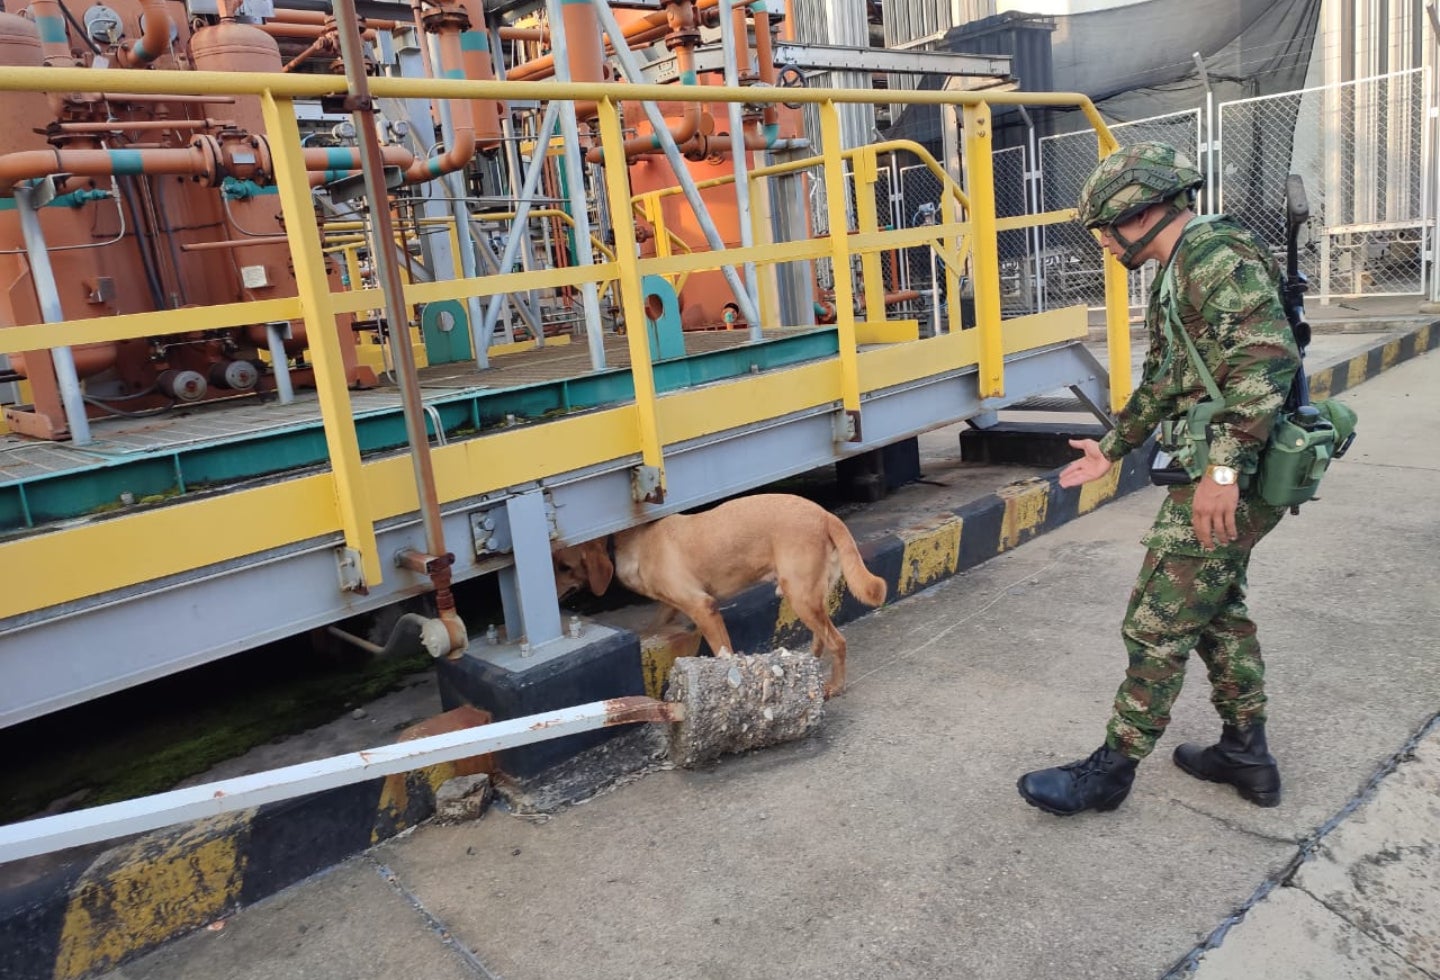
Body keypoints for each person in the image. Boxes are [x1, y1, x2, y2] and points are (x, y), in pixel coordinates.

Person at [1016, 142, 1301, 817]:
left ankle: (1110, 772)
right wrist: (1113, 448)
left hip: (1236, 470)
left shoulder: (1213, 258)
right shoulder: (1183, 266)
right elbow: (1171, 378)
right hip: (1227, 466)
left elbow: (1267, 360)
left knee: (1157, 618)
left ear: (1137, 214)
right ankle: (1246, 753)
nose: (1104, 245)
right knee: (1216, 609)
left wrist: (1223, 471)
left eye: (1104, 230)